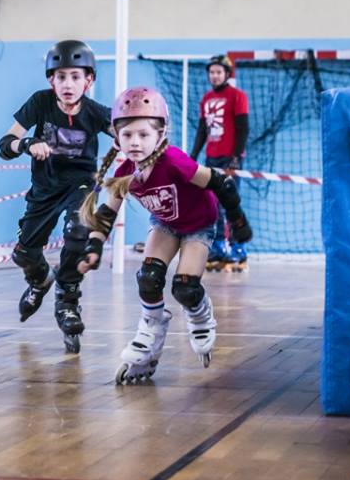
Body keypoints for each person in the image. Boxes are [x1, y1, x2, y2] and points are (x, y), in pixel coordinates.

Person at [77, 86, 252, 383]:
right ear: (116, 137)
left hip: (199, 223)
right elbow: (107, 214)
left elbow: (220, 183)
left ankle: (199, 315)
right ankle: (151, 332)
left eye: (143, 135)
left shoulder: (173, 161)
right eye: (128, 135)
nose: (135, 142)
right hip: (166, 224)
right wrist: (93, 247)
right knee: (149, 279)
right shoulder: (124, 171)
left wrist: (237, 220)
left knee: (184, 287)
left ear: (159, 135)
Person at [0, 40, 112, 353]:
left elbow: (126, 132)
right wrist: (27, 144)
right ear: (51, 80)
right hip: (44, 189)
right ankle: (40, 280)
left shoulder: (97, 113)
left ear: (89, 80)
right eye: (61, 77)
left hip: (81, 186)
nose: (68, 84)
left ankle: (68, 300)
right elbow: (5, 143)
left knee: (77, 230)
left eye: (76, 77)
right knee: (24, 253)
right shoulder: (40, 103)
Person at [189, 54, 252, 272]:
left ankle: (238, 248)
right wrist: (193, 155)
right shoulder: (206, 99)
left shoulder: (237, 96)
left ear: (226, 74)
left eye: (219, 72)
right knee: (212, 204)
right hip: (211, 158)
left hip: (229, 158)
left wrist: (236, 156)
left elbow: (243, 128)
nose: (214, 76)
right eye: (212, 72)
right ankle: (217, 247)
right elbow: (202, 130)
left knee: (231, 203)